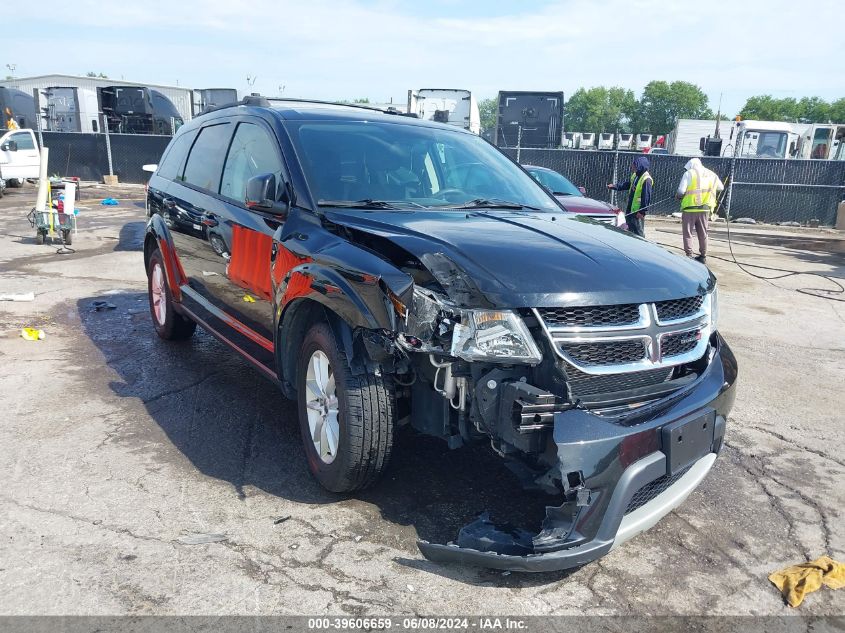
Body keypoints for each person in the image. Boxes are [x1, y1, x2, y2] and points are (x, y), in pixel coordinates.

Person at [675, 158, 724, 264]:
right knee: (703, 233)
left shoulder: (689, 173)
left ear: (691, 165)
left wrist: (678, 196)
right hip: (705, 208)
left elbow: (681, 191)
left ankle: (689, 255)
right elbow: (721, 187)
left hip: (690, 208)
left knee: (688, 232)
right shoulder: (712, 174)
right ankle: (703, 256)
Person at [606, 155, 652, 237]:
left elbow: (646, 197)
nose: (633, 167)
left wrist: (642, 212)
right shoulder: (636, 176)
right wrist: (615, 186)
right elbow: (628, 185)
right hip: (631, 208)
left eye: (635, 165)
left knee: (638, 232)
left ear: (640, 166)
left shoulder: (646, 179)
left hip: (638, 211)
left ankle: (641, 246)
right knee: (630, 230)